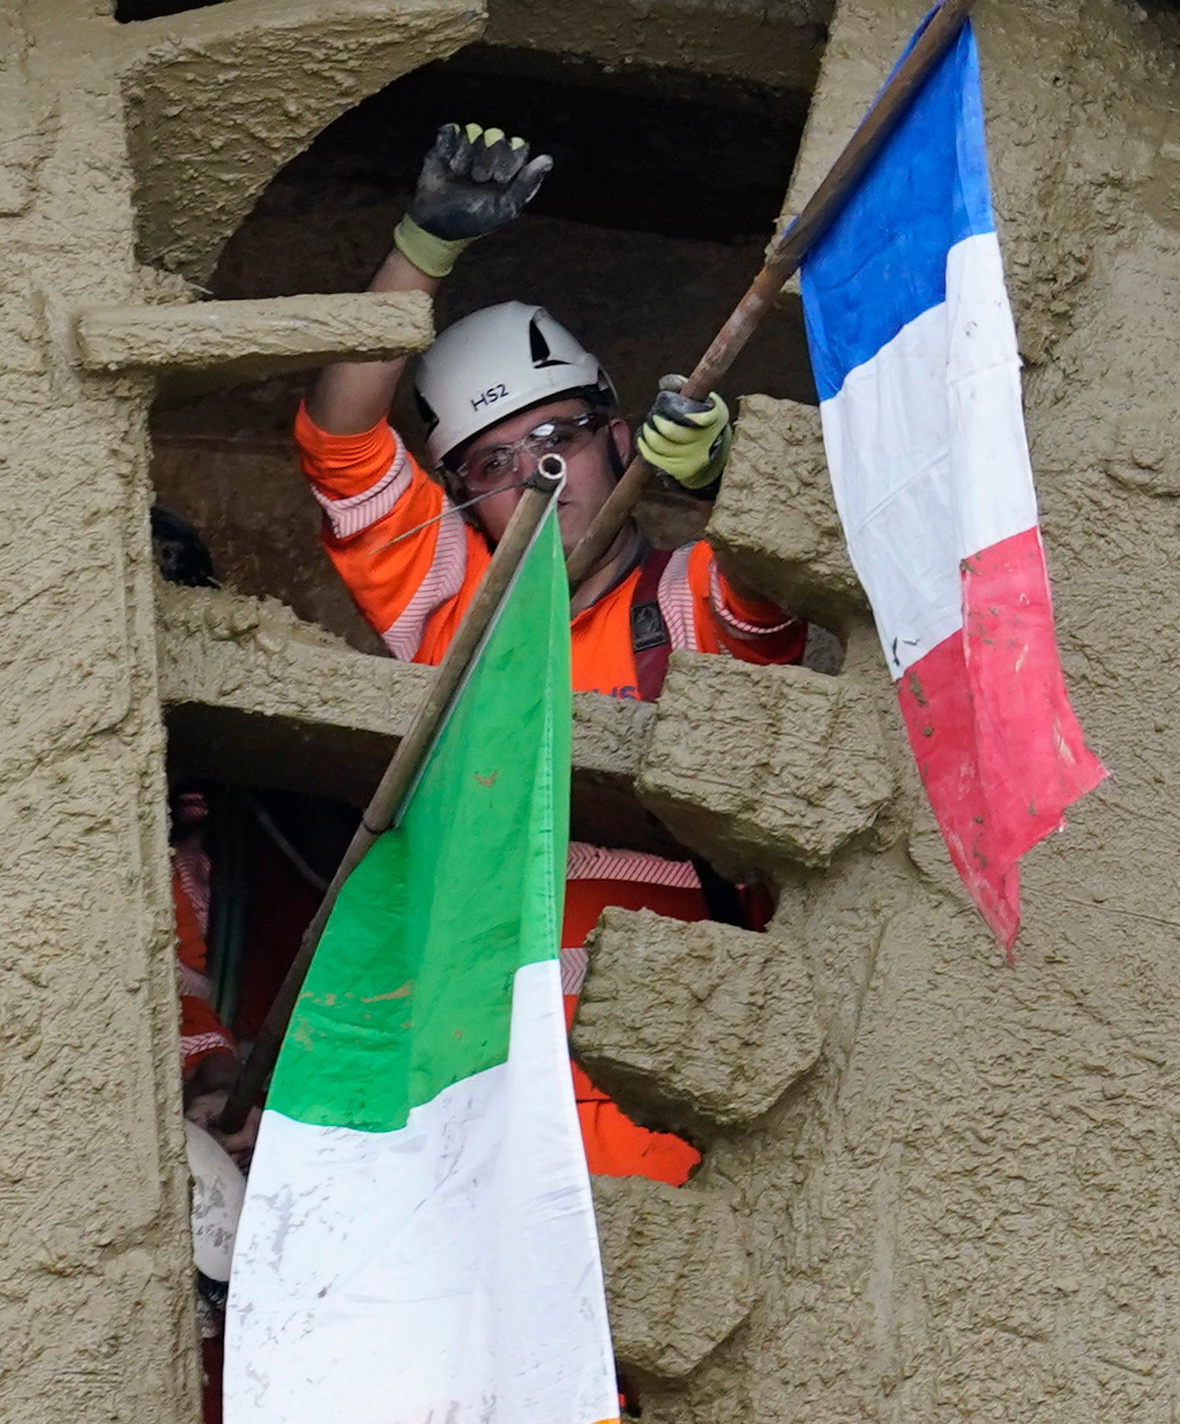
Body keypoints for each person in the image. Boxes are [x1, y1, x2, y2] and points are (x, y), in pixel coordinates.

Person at [294, 122, 811, 1182]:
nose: (535, 474)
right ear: (459, 500)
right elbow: (341, 439)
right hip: (465, 1096)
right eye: (489, 462)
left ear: (619, 436)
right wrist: (420, 249)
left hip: (667, 1097)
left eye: (558, 437)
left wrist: (718, 477)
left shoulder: (688, 599)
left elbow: (780, 564)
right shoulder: (450, 616)